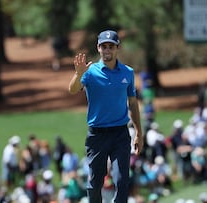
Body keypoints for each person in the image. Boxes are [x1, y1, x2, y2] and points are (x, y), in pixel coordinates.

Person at [68, 30, 143, 203]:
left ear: (117, 48)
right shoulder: (89, 71)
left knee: (122, 179)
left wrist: (139, 132)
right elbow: (72, 89)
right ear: (98, 48)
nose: (107, 50)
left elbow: (132, 103)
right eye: (104, 46)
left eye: (111, 46)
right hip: (97, 134)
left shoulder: (127, 72)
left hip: (120, 134)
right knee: (95, 182)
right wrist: (79, 74)